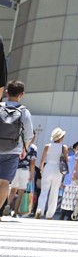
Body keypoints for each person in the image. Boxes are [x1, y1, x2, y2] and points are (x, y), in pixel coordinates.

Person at [0, 80, 34, 218]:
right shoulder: (24, 112)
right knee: (4, 182)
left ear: (7, 92)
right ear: (22, 94)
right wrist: (24, 149)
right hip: (13, 151)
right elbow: (29, 134)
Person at [36, 128, 68, 219]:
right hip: (57, 170)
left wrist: (41, 171)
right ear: (61, 137)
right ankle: (49, 214)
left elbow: (42, 160)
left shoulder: (47, 146)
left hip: (48, 168)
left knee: (44, 191)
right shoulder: (64, 147)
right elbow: (66, 160)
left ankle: (40, 210)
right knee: (54, 192)